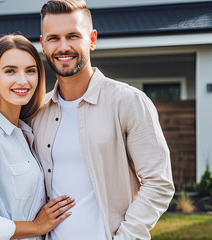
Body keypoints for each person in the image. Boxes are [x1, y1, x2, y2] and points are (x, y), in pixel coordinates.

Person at [31, 1, 175, 239]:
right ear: (43, 44)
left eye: (73, 36)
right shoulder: (37, 112)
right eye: (54, 38)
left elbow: (158, 182)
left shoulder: (128, 102)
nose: (63, 46)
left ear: (92, 39)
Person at [0, 34, 75, 240]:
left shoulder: (28, 133)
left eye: (30, 71)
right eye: (10, 71)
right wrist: (36, 227)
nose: (23, 80)